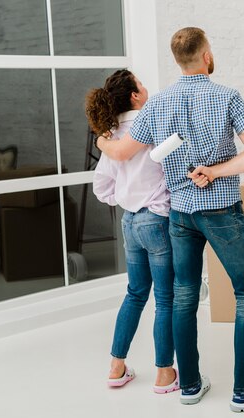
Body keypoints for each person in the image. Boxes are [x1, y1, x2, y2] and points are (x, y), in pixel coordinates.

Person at [96, 27, 244, 411]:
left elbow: (123, 151)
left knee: (183, 296)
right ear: (206, 55)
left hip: (180, 213)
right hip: (220, 210)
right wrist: (216, 171)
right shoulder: (227, 96)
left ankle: (190, 387)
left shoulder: (157, 104)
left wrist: (102, 138)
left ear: (177, 59)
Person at [85, 69, 178, 394]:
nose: (146, 85)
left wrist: (126, 197)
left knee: (136, 294)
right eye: (141, 83)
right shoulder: (151, 124)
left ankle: (116, 367)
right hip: (156, 220)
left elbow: (101, 187)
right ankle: (165, 374)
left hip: (130, 221)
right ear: (135, 95)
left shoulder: (111, 136)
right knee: (165, 299)